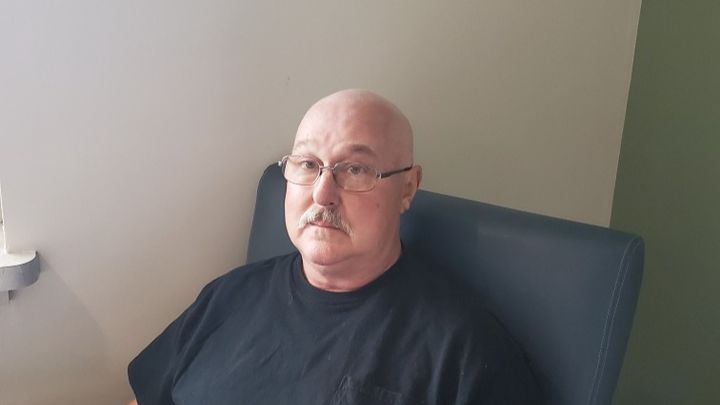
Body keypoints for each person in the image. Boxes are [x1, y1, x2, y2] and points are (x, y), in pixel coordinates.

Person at [127, 89, 540, 404]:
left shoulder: (463, 350)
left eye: (355, 169)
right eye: (308, 164)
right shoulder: (228, 297)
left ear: (407, 188)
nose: (322, 194)